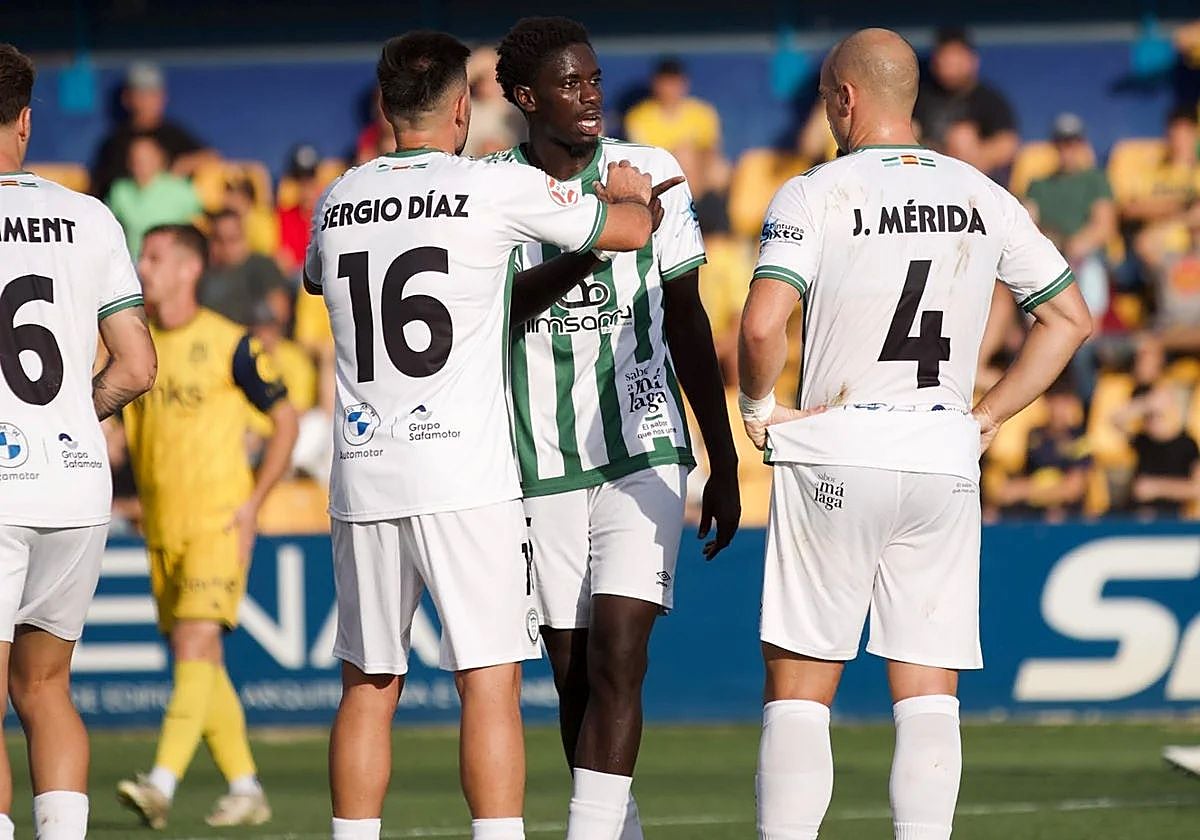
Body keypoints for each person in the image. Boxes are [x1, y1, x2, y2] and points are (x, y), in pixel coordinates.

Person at [738, 29, 1091, 840]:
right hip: (940, 452)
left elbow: (762, 326)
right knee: (928, 694)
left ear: (846, 99)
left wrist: (759, 410)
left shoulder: (814, 190)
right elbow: (1069, 318)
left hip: (837, 445)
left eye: (828, 94)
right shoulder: (984, 192)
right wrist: (989, 417)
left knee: (799, 690)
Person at [305, 31, 655, 840]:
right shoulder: (484, 188)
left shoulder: (337, 198)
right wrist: (638, 194)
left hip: (363, 468)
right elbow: (625, 231)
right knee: (487, 680)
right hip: (463, 471)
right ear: (463, 107)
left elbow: (318, 276)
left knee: (368, 685)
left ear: (387, 109)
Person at [491, 19, 740, 840]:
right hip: (541, 458)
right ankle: (617, 826)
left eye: (595, 79)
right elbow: (501, 311)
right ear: (527, 99)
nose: (591, 95)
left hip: (645, 444)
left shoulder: (657, 173)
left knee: (620, 656)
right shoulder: (491, 190)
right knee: (571, 674)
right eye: (570, 84)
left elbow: (688, 316)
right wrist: (603, 236)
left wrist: (722, 455)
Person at [0, 43, 156, 840]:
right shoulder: (91, 216)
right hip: (73, 479)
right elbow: (138, 365)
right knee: (45, 690)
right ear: (25, 123)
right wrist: (69, 414)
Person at [115, 224, 298, 830]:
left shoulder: (230, 344)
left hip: (218, 521)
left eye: (157, 257)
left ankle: (160, 783)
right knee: (201, 658)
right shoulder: (132, 349)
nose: (144, 266)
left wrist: (254, 505)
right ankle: (246, 786)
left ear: (190, 269)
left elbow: (287, 421)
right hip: (162, 529)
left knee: (195, 643)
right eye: (143, 256)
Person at [1025, 113, 1117, 318]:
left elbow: (1104, 225)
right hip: (1049, 258)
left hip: (1086, 258)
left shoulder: (1095, 180)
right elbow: (1028, 226)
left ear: (1082, 144)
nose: (1068, 150)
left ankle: (1088, 337)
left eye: (1073, 143)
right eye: (1062, 143)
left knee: (1091, 273)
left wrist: (1075, 246)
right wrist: (1054, 246)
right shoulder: (1038, 185)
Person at [90, 62, 215, 201]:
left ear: (163, 97)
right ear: (127, 98)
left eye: (153, 94)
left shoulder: (173, 134)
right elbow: (102, 189)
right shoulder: (115, 142)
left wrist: (182, 166)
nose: (148, 101)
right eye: (141, 94)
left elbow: (211, 156)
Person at [913, 27, 1018, 180]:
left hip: (973, 180)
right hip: (929, 173)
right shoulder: (921, 95)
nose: (949, 63)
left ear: (972, 60)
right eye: (944, 56)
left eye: (955, 55)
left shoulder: (988, 98)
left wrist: (970, 157)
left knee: (962, 137)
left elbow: (1007, 143)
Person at [1112, 382, 1200, 518]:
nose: (1151, 420)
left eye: (1156, 415)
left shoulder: (1186, 444)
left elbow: (1196, 488)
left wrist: (1157, 488)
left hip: (1168, 519)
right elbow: (1115, 420)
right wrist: (1146, 403)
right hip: (1136, 516)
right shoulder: (1144, 441)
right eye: (1147, 416)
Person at [106, 133, 203, 257]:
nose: (140, 163)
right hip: (132, 263)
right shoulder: (119, 190)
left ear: (159, 159)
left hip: (171, 262)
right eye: (135, 158)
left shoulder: (180, 189)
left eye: (146, 157)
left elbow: (203, 221)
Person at [200, 208, 289, 326]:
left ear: (244, 237)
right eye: (219, 240)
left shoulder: (262, 266)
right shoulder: (203, 274)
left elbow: (280, 312)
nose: (226, 248)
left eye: (232, 239)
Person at [623, 58, 721, 155]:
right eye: (666, 83)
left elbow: (711, 151)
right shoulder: (638, 117)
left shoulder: (703, 112)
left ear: (685, 83)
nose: (670, 89)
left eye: (674, 82)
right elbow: (643, 157)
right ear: (655, 84)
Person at [463, 46, 524, 157]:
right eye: (482, 78)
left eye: (494, 77)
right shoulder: (468, 111)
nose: (489, 83)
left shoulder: (515, 111)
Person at [277, 144, 325, 276]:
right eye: (300, 180)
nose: (306, 186)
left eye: (310, 179)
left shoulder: (330, 214)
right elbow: (284, 260)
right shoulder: (284, 216)